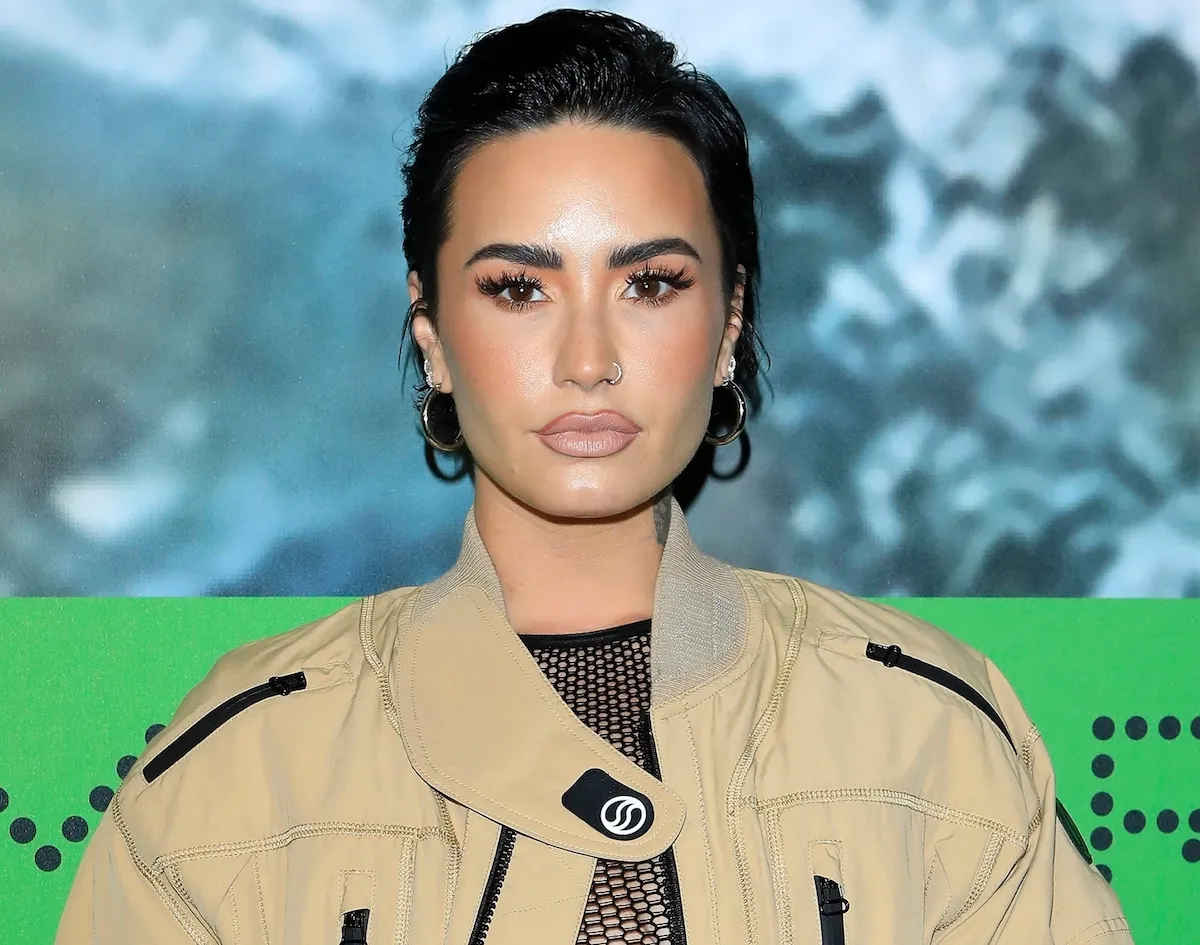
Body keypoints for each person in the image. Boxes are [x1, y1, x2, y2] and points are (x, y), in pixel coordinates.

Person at [57, 9, 1133, 945]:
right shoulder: (235, 773)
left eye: (650, 284)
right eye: (518, 289)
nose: (587, 360)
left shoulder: (936, 739)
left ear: (730, 325)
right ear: (432, 335)